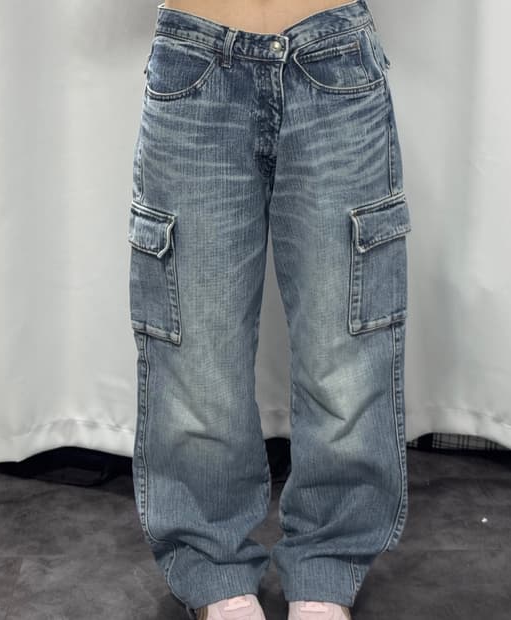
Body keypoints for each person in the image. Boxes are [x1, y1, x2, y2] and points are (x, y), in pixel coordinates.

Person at [127, 1, 412, 619]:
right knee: (197, 351)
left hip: (335, 59)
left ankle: (329, 567)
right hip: (193, 62)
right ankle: (212, 568)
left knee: (346, 346)